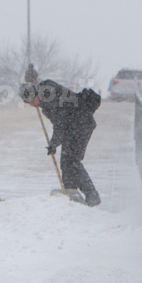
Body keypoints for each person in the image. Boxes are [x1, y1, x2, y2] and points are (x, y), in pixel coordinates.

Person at [19, 79, 102, 207]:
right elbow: (62, 121)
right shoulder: (46, 91)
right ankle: (71, 193)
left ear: (34, 95)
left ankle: (91, 195)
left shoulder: (48, 99)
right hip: (74, 126)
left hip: (81, 125)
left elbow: (60, 123)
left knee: (71, 161)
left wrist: (53, 143)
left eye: (31, 101)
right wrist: (54, 143)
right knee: (67, 162)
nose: (32, 105)